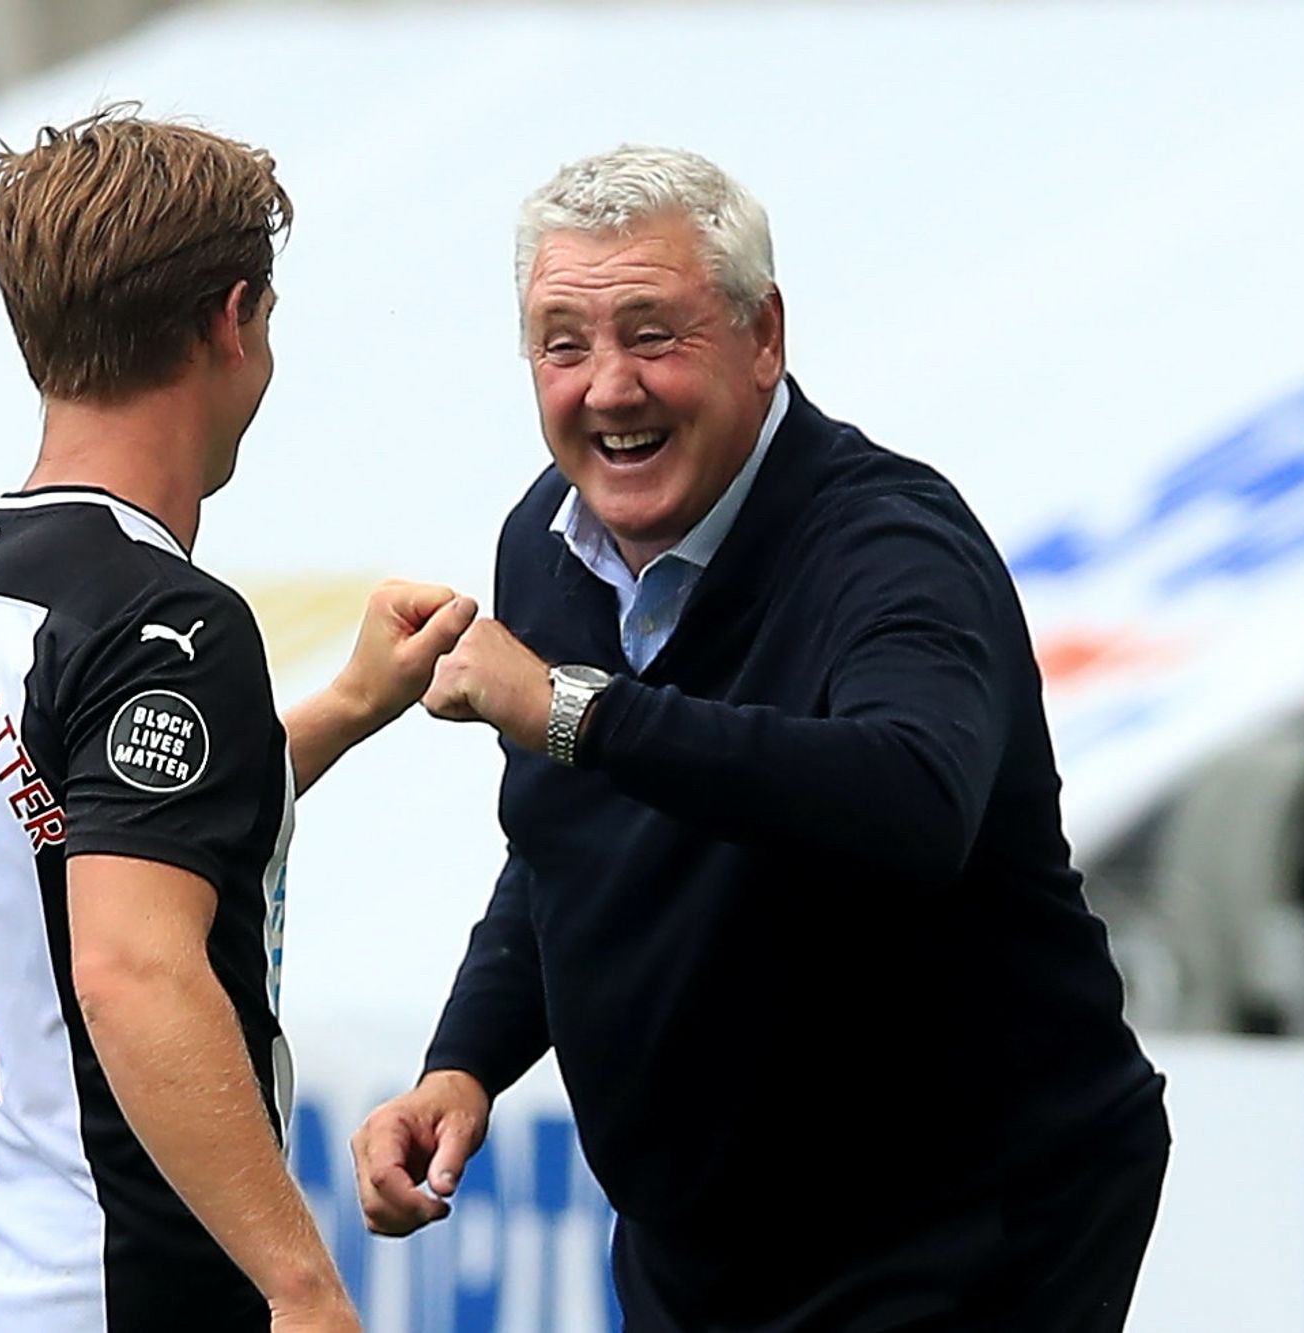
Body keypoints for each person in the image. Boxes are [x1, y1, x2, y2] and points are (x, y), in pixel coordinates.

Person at [351, 145, 1171, 1331]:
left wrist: (577, 713)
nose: (608, 387)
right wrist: (460, 1065)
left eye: (652, 333)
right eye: (563, 344)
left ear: (762, 336)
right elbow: (565, 848)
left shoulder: (890, 543)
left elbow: (911, 800)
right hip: (701, 1251)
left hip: (961, 1225)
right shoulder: (543, 541)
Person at [0, 106, 473, 1333]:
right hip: (102, 1290)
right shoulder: (163, 619)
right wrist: (299, 1283)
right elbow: (131, 962)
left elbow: (81, 850)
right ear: (231, 320)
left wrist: (344, 709)